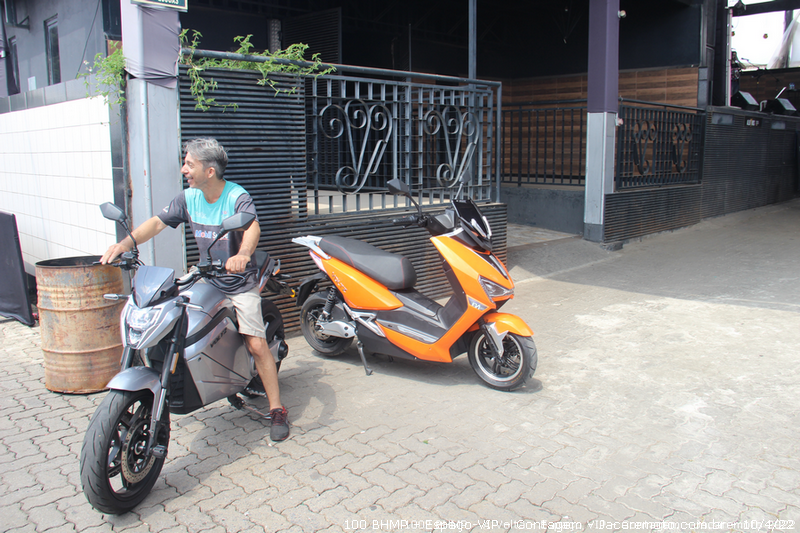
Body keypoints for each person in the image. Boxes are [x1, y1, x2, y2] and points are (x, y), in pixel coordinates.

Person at [101, 137, 289, 442]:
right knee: (170, 315)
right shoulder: (188, 198)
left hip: (238, 282)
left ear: (209, 171)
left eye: (189, 164)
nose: (183, 169)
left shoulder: (236, 196)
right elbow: (157, 223)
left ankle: (277, 408)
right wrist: (125, 244)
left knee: (256, 344)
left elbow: (252, 227)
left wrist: (243, 254)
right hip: (205, 276)